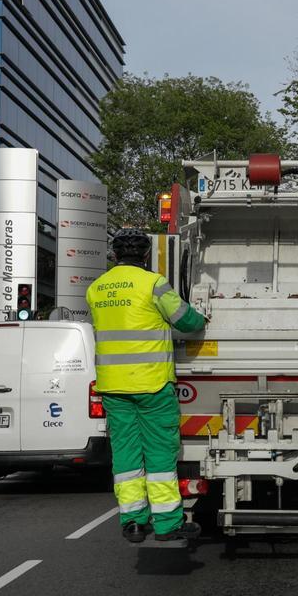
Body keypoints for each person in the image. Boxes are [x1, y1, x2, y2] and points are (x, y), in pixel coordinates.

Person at [86, 228, 207, 544]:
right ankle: (167, 524)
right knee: (159, 454)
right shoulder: (153, 284)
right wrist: (203, 319)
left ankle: (133, 522)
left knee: (126, 456)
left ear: (114, 255)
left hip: (113, 387)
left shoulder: (96, 289)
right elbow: (185, 320)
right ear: (145, 255)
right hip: (152, 384)